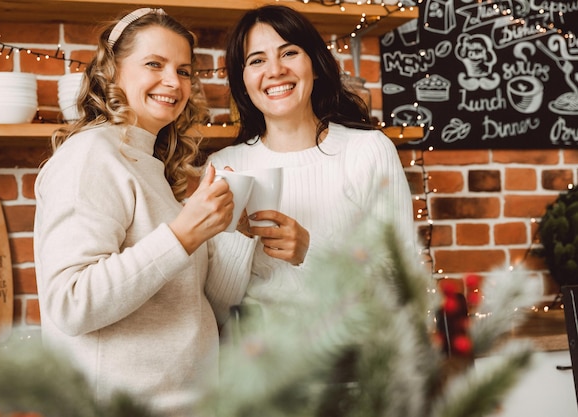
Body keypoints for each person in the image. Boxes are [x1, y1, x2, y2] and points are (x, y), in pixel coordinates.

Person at [33, 8, 256, 415]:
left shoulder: (153, 165)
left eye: (185, 70)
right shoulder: (90, 157)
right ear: (112, 71)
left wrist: (231, 230)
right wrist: (182, 235)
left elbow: (182, 302)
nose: (173, 82)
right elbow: (70, 302)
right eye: (154, 64)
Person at [207, 5, 416, 317]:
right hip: (258, 356)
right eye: (257, 60)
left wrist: (309, 251)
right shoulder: (225, 166)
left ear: (315, 66)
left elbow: (402, 285)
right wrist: (239, 237)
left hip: (354, 354)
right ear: (244, 82)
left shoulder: (367, 151)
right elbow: (218, 310)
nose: (275, 70)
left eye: (289, 53)